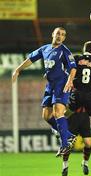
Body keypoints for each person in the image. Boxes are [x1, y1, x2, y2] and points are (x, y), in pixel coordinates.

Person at [12, 27, 77, 155]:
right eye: (58, 33)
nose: (60, 36)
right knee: (46, 116)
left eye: (63, 35)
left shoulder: (64, 50)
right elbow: (30, 59)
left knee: (58, 112)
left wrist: (70, 81)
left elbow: (73, 67)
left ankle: (65, 145)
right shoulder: (45, 49)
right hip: (50, 85)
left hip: (62, 84)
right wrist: (18, 70)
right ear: (53, 34)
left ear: (64, 38)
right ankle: (69, 136)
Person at [61, 87, 91, 176]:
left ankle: (85, 163)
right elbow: (63, 99)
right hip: (72, 117)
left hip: (84, 117)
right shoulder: (70, 85)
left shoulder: (89, 84)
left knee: (88, 143)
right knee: (69, 144)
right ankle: (65, 165)